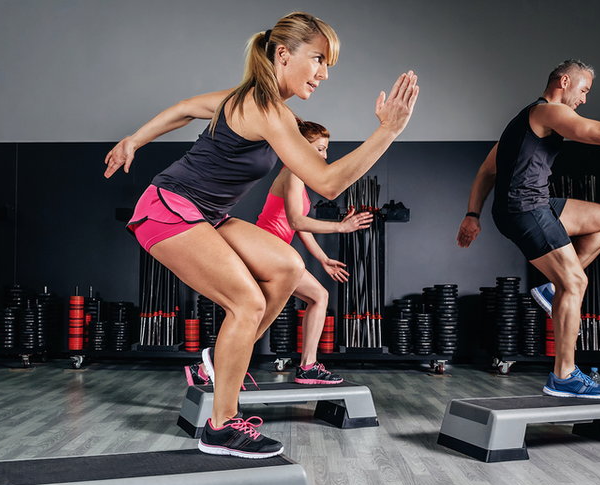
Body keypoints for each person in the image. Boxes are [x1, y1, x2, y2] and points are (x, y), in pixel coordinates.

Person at [105, 12, 419, 458]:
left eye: (328, 64)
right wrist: (387, 132)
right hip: (168, 210)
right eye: (317, 59)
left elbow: (186, 108)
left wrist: (136, 138)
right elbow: (327, 183)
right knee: (247, 302)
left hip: (209, 214)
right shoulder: (268, 110)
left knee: (288, 267)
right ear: (284, 54)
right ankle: (221, 426)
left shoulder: (256, 102)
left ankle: (221, 360)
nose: (324, 73)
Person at [456, 59, 600, 399]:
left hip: (533, 204)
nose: (584, 99)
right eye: (584, 90)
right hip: (524, 209)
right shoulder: (547, 112)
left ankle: (553, 290)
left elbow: (487, 171)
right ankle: (563, 375)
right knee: (576, 282)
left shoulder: (522, 121)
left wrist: (472, 214)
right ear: (564, 81)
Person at [185, 119, 373, 388]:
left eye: (326, 149)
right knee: (316, 297)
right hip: (265, 252)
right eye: (319, 149)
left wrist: (322, 258)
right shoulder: (293, 174)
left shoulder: (298, 177)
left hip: (273, 253)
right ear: (300, 147)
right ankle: (307, 367)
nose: (325, 155)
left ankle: (203, 369)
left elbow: (298, 227)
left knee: (264, 315)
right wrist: (340, 227)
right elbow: (297, 221)